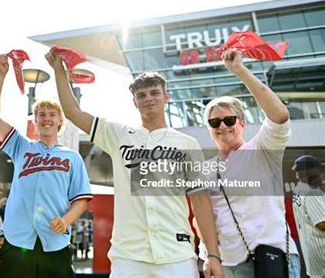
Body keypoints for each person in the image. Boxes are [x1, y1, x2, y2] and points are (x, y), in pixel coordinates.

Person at [46, 48, 223, 278]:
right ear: (135, 102)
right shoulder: (119, 135)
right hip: (128, 256)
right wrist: (59, 71)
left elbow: (200, 201)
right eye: (142, 95)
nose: (148, 98)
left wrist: (212, 255)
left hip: (176, 254)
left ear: (165, 97)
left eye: (154, 93)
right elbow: (72, 111)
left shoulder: (187, 144)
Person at [0, 54, 92, 278]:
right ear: (35, 120)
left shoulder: (72, 157)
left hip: (54, 243)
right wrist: (1, 75)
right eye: (41, 114)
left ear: (60, 121)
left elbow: (81, 200)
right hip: (17, 242)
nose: (46, 118)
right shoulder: (21, 147)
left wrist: (66, 220)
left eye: (52, 115)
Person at [198, 49, 300, 277]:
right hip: (228, 263)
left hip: (272, 255)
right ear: (209, 129)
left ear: (242, 123)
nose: (222, 126)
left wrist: (239, 70)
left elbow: (280, 115)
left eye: (229, 119)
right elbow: (202, 218)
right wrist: (208, 256)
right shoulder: (205, 170)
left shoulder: (263, 148)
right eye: (215, 121)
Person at [291, 155, 324, 278]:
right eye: (318, 170)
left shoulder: (299, 189)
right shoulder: (312, 191)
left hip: (311, 252)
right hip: (321, 250)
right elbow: (322, 223)